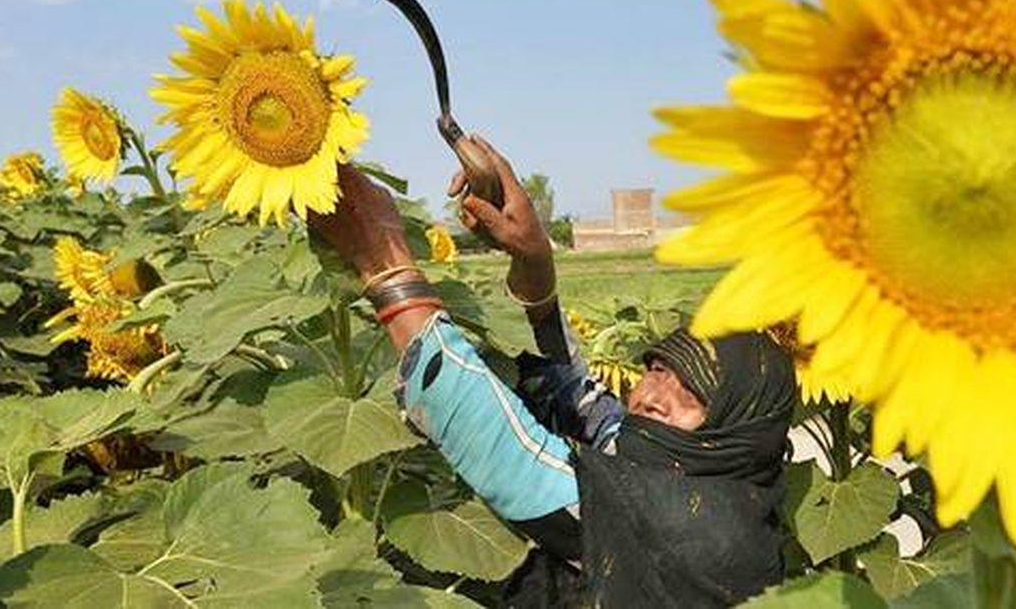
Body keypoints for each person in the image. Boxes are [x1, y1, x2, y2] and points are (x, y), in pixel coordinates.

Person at [309, 136, 798, 607]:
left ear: (740, 433)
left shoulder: (711, 536)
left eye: (692, 393)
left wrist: (386, 262)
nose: (652, 395)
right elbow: (577, 398)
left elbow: (520, 466)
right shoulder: (663, 457)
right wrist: (534, 260)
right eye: (657, 369)